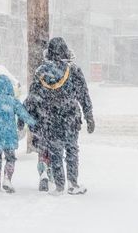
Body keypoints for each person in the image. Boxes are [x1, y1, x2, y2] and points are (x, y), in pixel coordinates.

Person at [29, 36, 94, 195]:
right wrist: (89, 116)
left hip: (50, 119)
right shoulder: (74, 70)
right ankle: (73, 183)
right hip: (70, 117)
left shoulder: (41, 72)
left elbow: (33, 98)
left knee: (55, 152)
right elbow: (83, 95)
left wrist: (31, 119)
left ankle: (59, 186)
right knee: (71, 150)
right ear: (65, 51)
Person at [0, 74, 36, 193]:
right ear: (9, 87)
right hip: (9, 137)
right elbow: (24, 115)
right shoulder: (13, 102)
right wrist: (35, 124)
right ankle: (7, 179)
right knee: (10, 159)